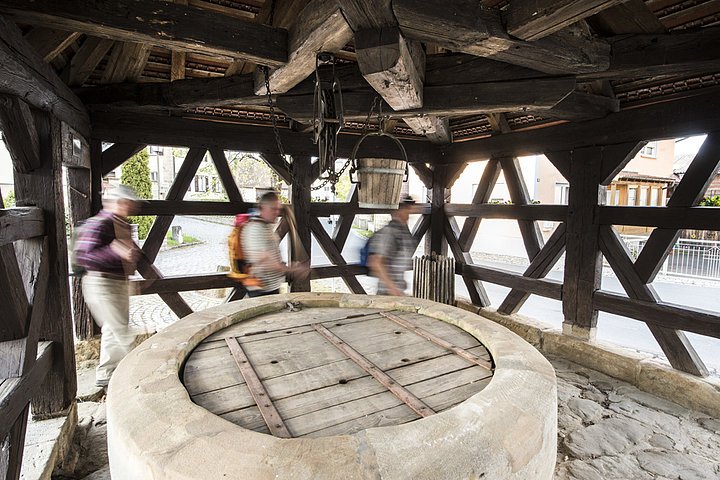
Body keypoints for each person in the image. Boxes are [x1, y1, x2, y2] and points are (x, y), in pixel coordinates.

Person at [74, 185, 142, 388]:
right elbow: (84, 256)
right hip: (102, 283)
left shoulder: (122, 224)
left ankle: (107, 373)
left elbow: (128, 252)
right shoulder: (100, 223)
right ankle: (133, 374)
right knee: (121, 330)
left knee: (113, 329)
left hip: (117, 282)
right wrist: (114, 251)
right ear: (116, 202)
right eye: (125, 202)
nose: (129, 206)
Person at [241, 191, 308, 297]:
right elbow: (266, 262)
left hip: (271, 288)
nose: (277, 212)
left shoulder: (265, 227)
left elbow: (270, 257)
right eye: (273, 209)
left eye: (278, 209)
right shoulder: (255, 229)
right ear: (262, 207)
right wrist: (293, 269)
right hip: (260, 290)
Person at [368, 195, 418, 296]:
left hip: (396, 292)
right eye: (406, 209)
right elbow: (375, 262)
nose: (409, 213)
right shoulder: (389, 232)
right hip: (387, 294)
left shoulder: (402, 231)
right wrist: (393, 289)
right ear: (397, 211)